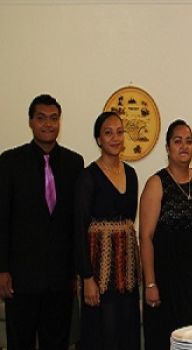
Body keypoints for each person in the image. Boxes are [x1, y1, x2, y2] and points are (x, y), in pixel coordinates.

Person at [0, 94, 84, 349]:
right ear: (30, 122)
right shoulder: (9, 162)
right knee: (19, 342)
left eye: (54, 118)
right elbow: (2, 218)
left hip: (60, 278)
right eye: (41, 118)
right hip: (21, 278)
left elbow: (76, 222)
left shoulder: (74, 163)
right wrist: (2, 269)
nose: (48, 124)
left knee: (57, 342)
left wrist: (78, 271)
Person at [140, 120, 192, 349]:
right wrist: (150, 284)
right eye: (178, 141)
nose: (184, 146)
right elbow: (146, 237)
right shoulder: (156, 183)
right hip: (165, 278)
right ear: (168, 148)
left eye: (189, 141)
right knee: (164, 339)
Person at [75, 111, 140, 349]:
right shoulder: (88, 177)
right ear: (99, 139)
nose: (115, 138)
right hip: (99, 276)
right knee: (104, 335)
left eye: (120, 132)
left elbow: (129, 220)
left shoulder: (131, 174)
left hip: (128, 273)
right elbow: (79, 230)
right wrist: (88, 277)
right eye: (108, 133)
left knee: (127, 333)